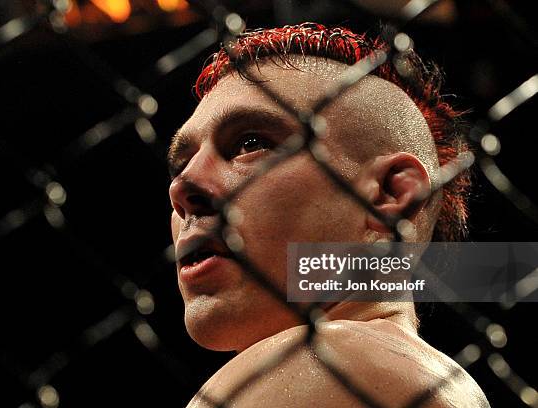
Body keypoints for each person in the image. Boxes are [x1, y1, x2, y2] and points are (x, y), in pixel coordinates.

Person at [167, 23, 489, 407]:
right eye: (182, 163)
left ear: (390, 195)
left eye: (250, 144)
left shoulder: (339, 359)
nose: (183, 187)